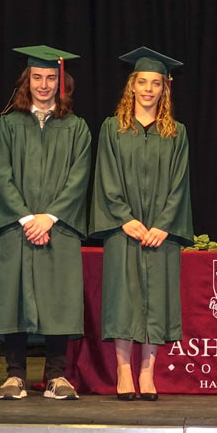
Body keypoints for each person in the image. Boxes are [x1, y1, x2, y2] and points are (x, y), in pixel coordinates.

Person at [89, 47, 193, 401]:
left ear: (165, 89)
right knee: (123, 298)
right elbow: (106, 178)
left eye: (156, 83)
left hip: (161, 234)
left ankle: (147, 372)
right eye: (142, 82)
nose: (149, 89)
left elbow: (180, 185)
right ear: (131, 86)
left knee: (157, 299)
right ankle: (123, 371)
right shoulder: (112, 129)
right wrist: (125, 219)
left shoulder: (176, 133)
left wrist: (164, 224)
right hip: (124, 230)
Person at [0, 46, 92, 401]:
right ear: (27, 81)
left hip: (58, 227)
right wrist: (26, 216)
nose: (44, 84)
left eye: (51, 78)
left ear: (62, 82)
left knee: (58, 298)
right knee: (16, 296)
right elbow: (0, 175)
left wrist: (49, 216)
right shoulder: (8, 125)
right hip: (19, 226)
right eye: (37, 77)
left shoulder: (76, 128)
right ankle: (14, 375)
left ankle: (56, 376)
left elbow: (79, 178)